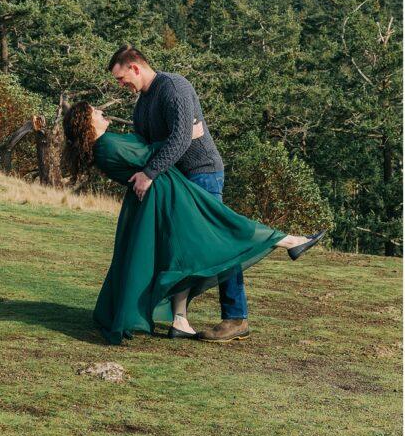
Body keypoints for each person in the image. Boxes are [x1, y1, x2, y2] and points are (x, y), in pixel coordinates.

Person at [63, 102, 325, 345]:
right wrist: (185, 134)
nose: (100, 112)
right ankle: (291, 241)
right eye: (94, 112)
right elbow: (150, 152)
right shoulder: (107, 144)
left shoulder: (103, 146)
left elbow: (146, 153)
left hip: (162, 196)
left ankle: (180, 320)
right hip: (168, 196)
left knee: (182, 253)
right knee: (222, 227)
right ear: (86, 122)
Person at [108, 45, 247, 342]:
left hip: (202, 173)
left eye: (122, 79)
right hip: (176, 180)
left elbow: (181, 138)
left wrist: (149, 173)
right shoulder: (142, 104)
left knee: (217, 242)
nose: (122, 86)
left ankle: (236, 317)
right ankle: (179, 320)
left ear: (135, 67)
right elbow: (147, 145)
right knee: (175, 247)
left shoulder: (174, 86)